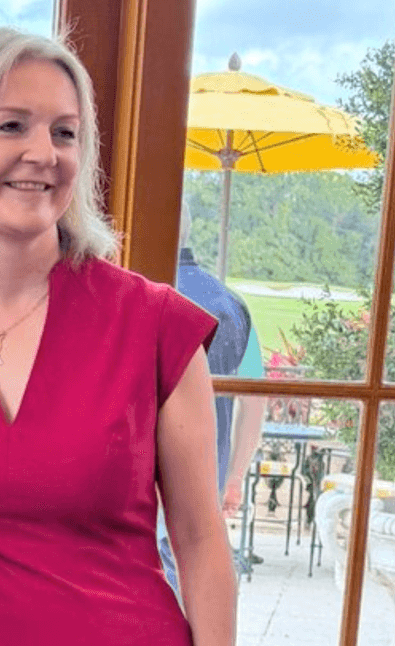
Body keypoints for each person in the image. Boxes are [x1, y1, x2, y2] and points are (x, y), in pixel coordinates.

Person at [0, 27, 235, 645]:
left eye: (64, 132)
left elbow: (203, 546)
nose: (45, 152)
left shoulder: (156, 325)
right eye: (11, 125)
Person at [159, 202, 268, 587]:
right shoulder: (234, 305)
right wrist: (234, 475)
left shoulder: (131, 293)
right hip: (207, 479)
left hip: (139, 492)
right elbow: (256, 400)